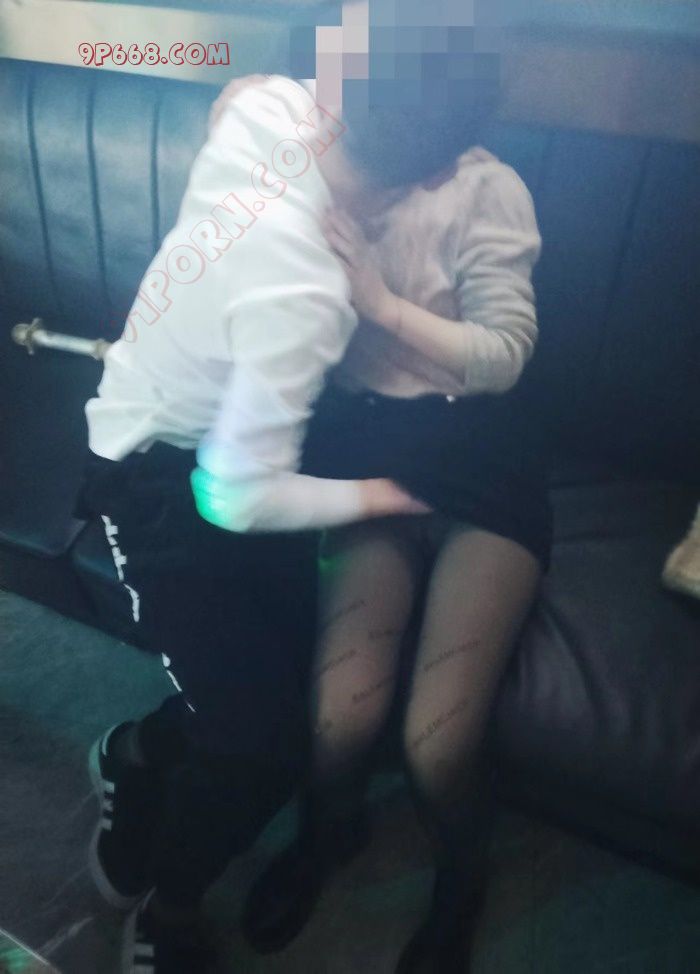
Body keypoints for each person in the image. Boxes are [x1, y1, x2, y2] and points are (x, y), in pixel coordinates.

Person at [76, 58, 506, 974]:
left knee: (282, 680)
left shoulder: (270, 111)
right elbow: (231, 496)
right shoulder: (305, 292)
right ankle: (168, 911)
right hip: (161, 485)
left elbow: (241, 91)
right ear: (439, 172)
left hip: (234, 446)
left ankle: (138, 754)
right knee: (262, 744)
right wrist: (384, 497)